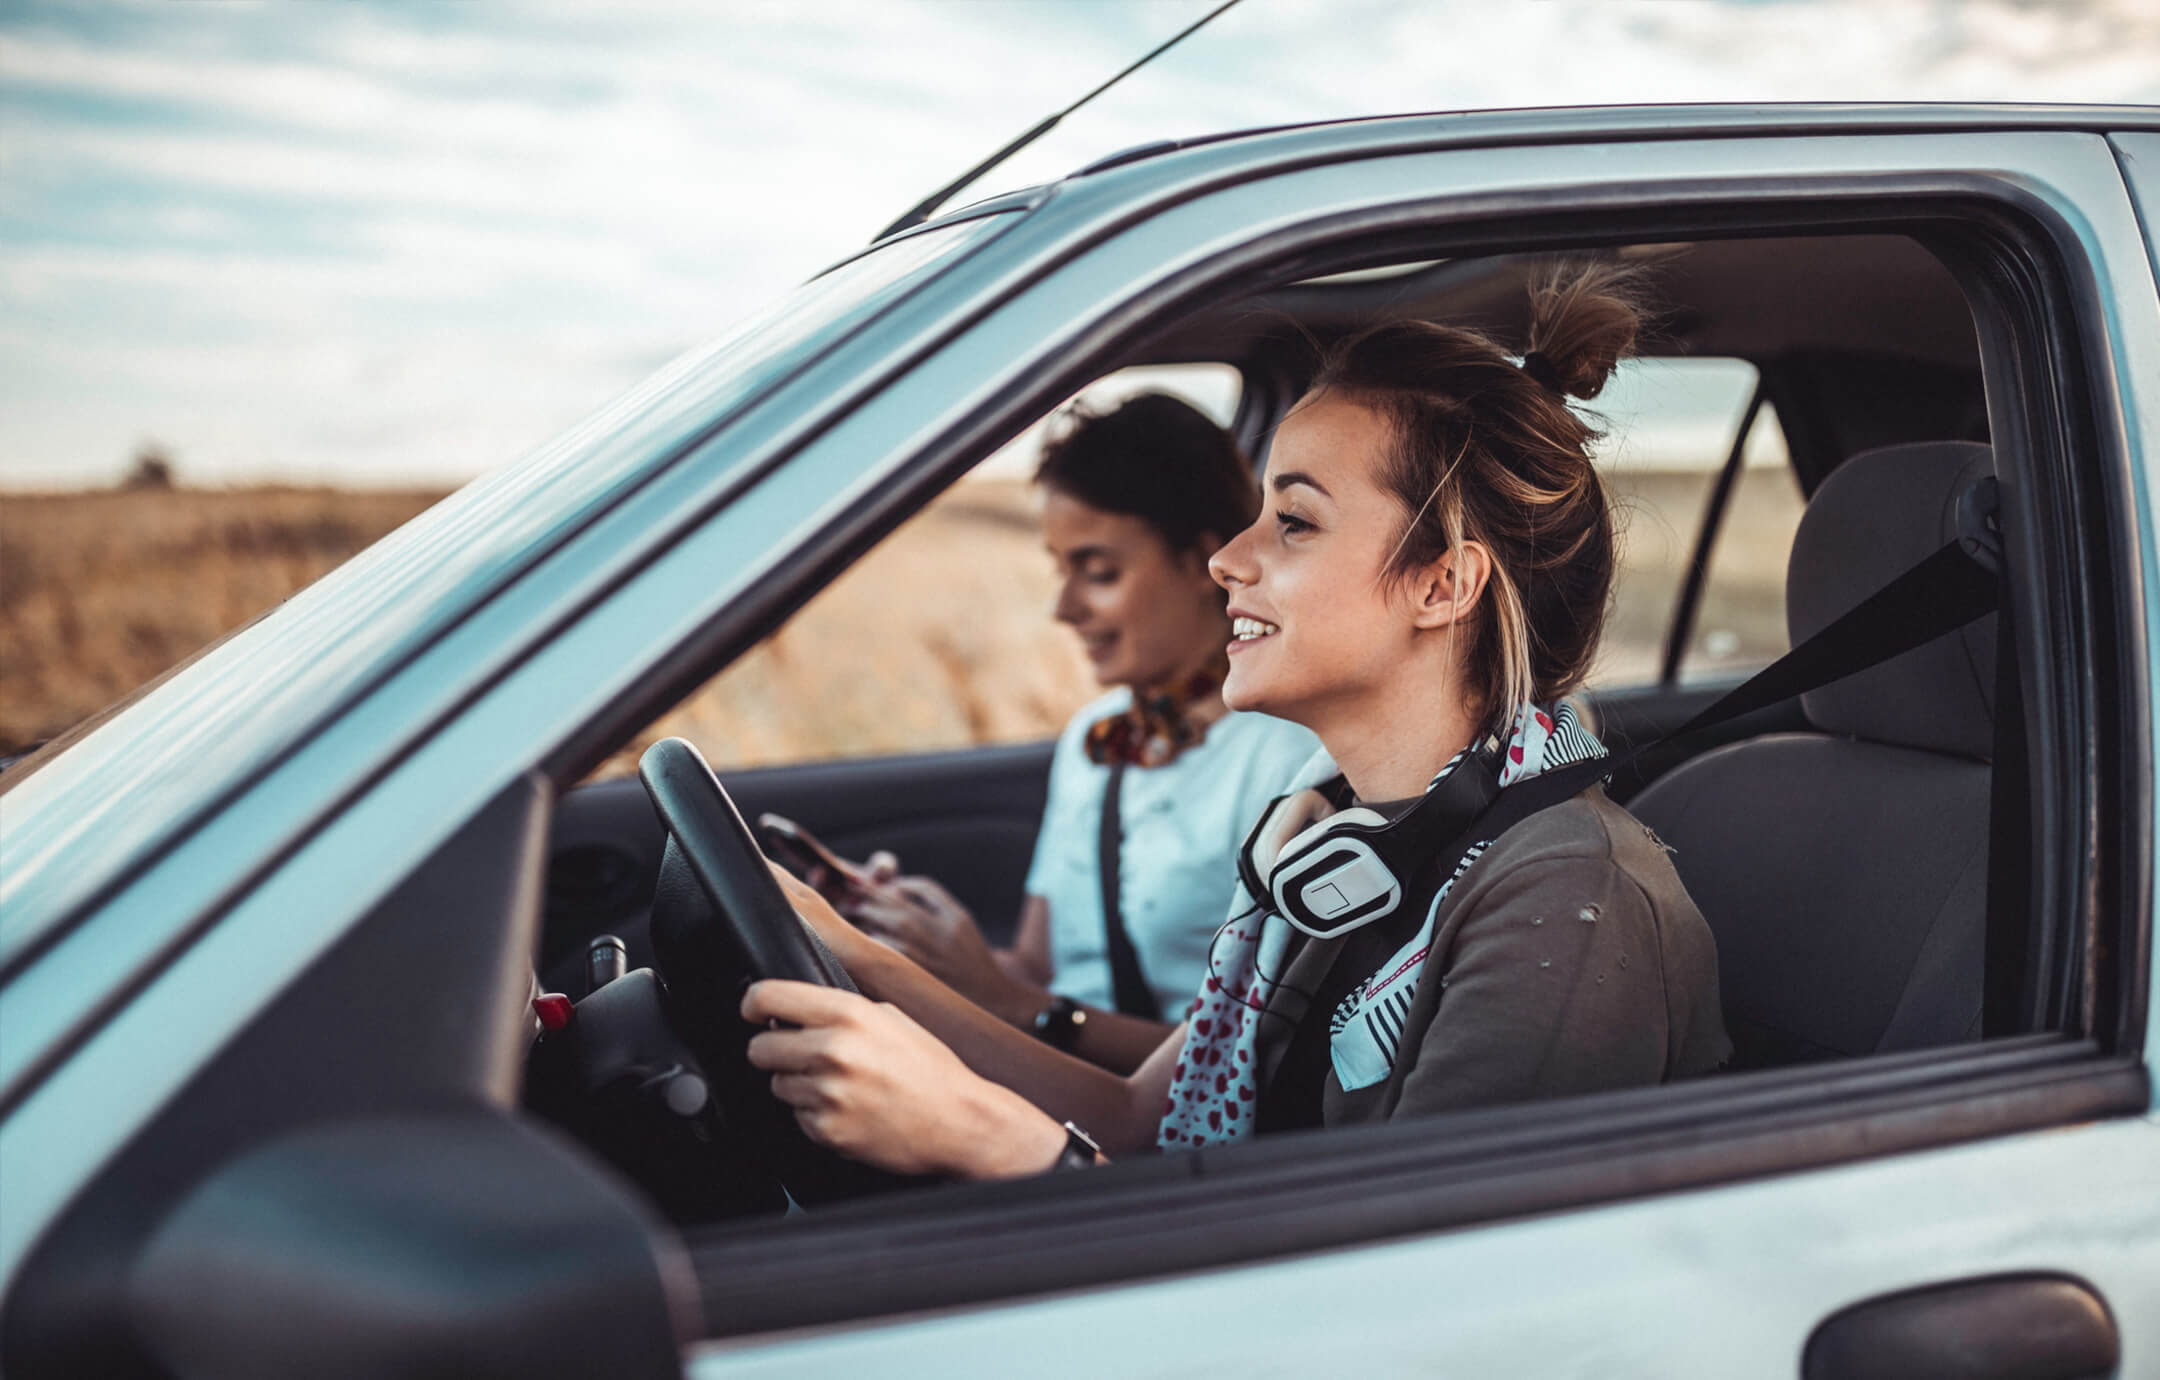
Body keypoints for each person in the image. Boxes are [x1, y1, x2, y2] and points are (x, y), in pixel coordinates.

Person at [742, 263, 1731, 1179]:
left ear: (1442, 584)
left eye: (1293, 522)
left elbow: (1399, 1288)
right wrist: (856, 953)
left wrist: (983, 1134)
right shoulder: (1335, 838)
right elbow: (1135, 1120)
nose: (1227, 560)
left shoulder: (1565, 897)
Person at [840, 393, 1319, 1074]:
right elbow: (1036, 968)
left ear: (1203, 560)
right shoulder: (1095, 736)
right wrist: (919, 944)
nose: (1064, 608)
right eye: (1060, 569)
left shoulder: (1289, 756)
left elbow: (1254, 1061)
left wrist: (1014, 1003)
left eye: (1099, 572)